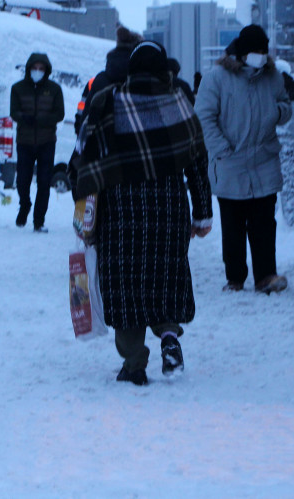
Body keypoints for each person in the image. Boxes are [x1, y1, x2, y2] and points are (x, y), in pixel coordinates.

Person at [74, 41, 213, 386]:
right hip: (169, 208)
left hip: (121, 209)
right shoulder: (179, 101)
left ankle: (135, 364)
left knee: (124, 286)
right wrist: (202, 213)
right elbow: (197, 161)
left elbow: (85, 157)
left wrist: (83, 211)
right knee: (165, 277)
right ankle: (169, 336)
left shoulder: (107, 101)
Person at [195, 25, 292, 295]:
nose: (261, 55)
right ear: (242, 51)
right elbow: (203, 116)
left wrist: (277, 111)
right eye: (256, 51)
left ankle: (266, 275)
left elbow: (285, 108)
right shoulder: (217, 77)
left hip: (264, 160)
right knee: (233, 225)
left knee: (264, 222)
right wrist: (221, 149)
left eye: (264, 50)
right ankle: (235, 277)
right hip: (231, 162)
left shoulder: (272, 77)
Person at [10, 52, 65, 231]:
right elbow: (14, 112)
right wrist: (25, 118)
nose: (37, 71)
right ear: (29, 69)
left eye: (41, 68)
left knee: (44, 182)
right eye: (35, 68)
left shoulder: (55, 89)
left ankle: (39, 221)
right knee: (23, 180)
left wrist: (42, 121)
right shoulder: (17, 88)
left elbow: (59, 113)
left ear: (46, 70)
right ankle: (24, 204)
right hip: (24, 141)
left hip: (47, 141)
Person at [73, 25, 143, 135]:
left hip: (101, 147)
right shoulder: (143, 82)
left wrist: (80, 131)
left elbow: (84, 115)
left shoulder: (97, 81)